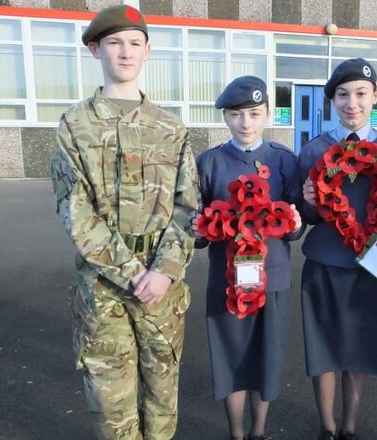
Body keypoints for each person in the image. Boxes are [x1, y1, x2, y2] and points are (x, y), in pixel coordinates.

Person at [50, 5, 199, 439]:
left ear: (148, 51)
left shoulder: (170, 127)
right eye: (115, 43)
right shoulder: (75, 125)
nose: (125, 52)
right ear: (96, 49)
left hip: (163, 291)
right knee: (111, 409)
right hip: (103, 288)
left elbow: (189, 206)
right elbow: (74, 210)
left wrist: (165, 272)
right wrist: (135, 274)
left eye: (135, 43)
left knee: (162, 403)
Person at [299, 58, 377, 440]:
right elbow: (307, 218)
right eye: (342, 95)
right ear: (332, 100)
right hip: (324, 263)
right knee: (323, 346)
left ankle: (350, 427)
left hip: (371, 266)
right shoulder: (315, 150)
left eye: (361, 94)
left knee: (361, 347)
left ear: (375, 96)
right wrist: (309, 202)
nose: (352, 103)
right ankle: (327, 426)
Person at [192, 75, 304, 440]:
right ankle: (236, 433)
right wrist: (195, 230)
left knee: (268, 356)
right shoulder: (208, 163)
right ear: (225, 117)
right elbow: (196, 226)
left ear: (268, 115)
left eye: (255, 114)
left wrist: (294, 223)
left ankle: (259, 431)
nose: (246, 123)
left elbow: (295, 223)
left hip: (272, 277)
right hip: (226, 281)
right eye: (237, 114)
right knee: (230, 357)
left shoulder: (283, 160)